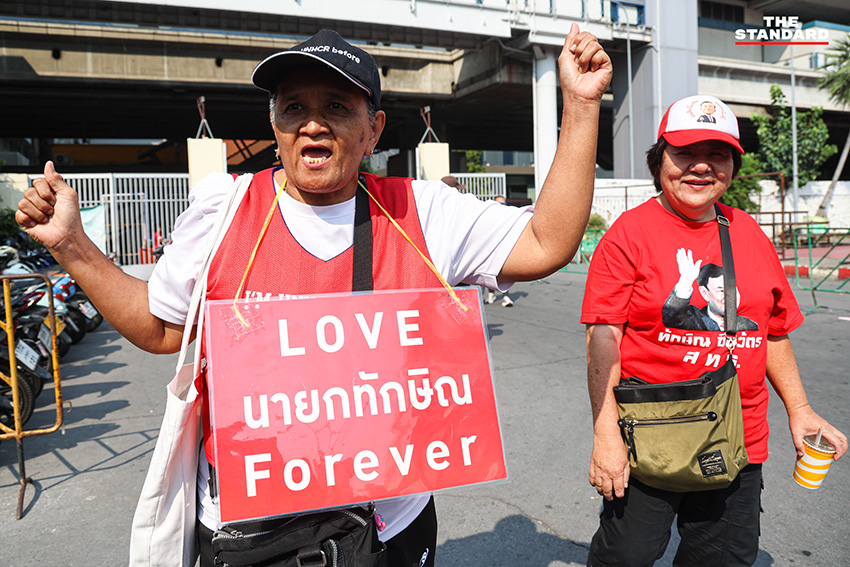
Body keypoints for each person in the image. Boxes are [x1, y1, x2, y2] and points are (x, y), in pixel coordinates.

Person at [17, 27, 611, 567]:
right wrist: (72, 245)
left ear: (373, 128)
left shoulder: (422, 210)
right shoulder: (222, 212)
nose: (312, 124)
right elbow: (160, 330)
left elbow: (547, 241)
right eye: (293, 107)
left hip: (392, 524)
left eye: (336, 107)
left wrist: (581, 107)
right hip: (250, 532)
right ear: (273, 126)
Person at [581, 94, 848, 567]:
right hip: (650, 437)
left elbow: (772, 332)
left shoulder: (749, 233)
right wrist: (606, 435)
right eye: (685, 153)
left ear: (732, 167)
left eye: (717, 154)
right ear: (659, 159)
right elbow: (604, 335)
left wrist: (800, 410)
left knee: (721, 560)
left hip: (738, 440)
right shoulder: (629, 233)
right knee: (627, 556)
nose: (700, 167)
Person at [662, 251, 758, 331]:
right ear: (704, 293)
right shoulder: (693, 320)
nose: (729, 296)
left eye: (732, 289)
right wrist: (686, 281)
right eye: (721, 291)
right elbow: (671, 316)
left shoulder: (748, 326)